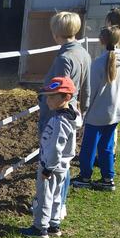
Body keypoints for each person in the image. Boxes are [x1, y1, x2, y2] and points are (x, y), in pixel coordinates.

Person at [34, 12, 91, 220]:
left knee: (51, 161)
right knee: (64, 162)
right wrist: (82, 112)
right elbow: (86, 88)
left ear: (55, 32)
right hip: (72, 112)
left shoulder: (65, 58)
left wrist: (46, 109)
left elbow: (59, 90)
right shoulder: (83, 53)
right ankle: (59, 207)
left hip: (56, 116)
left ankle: (45, 213)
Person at [72, 26, 120, 191]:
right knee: (107, 146)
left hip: (98, 113)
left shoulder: (97, 64)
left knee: (89, 146)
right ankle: (107, 178)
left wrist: (84, 110)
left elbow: (90, 91)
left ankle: (84, 177)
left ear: (101, 41)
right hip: (116, 111)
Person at [22, 77, 81, 238]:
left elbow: (56, 147)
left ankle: (39, 228)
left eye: (53, 97)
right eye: (47, 96)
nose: (48, 100)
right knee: (56, 195)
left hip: (51, 165)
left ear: (66, 98)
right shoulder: (71, 115)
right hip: (62, 165)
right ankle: (54, 225)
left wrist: (48, 168)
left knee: (45, 196)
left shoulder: (60, 121)